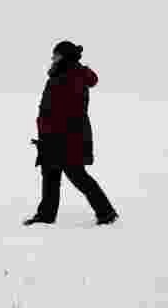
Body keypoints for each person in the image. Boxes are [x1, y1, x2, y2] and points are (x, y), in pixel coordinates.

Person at [24, 41, 118, 226]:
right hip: (55, 136)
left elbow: (67, 110)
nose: (53, 58)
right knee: (51, 175)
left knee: (77, 176)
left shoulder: (72, 75)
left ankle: (106, 213)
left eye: (56, 55)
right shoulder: (62, 74)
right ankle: (45, 216)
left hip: (67, 137)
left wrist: (52, 133)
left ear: (65, 57)